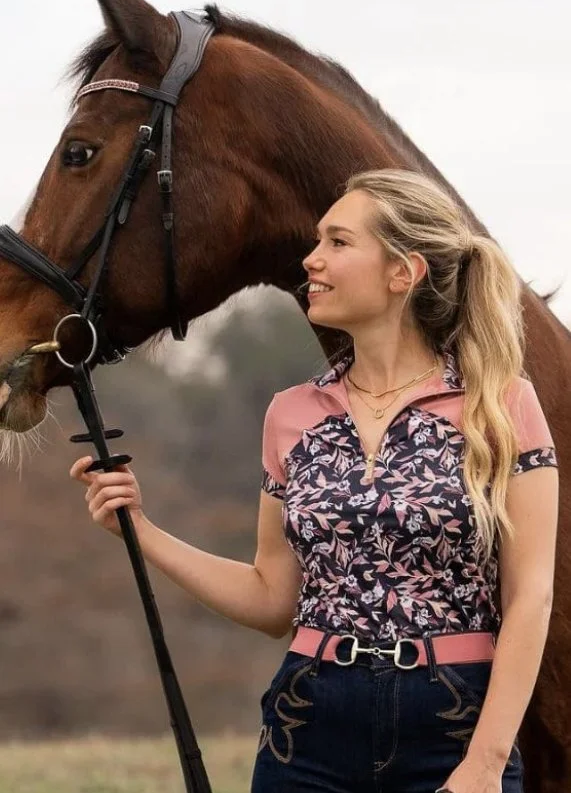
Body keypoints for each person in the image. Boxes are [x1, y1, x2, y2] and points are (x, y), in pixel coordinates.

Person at [70, 169, 559, 793]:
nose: (311, 259)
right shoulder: (291, 413)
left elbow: (530, 598)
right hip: (309, 723)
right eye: (318, 240)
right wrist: (140, 530)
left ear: (403, 272)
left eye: (338, 241)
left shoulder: (503, 404)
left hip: (455, 726)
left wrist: (486, 764)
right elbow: (272, 598)